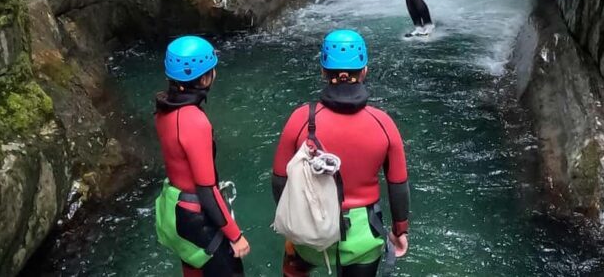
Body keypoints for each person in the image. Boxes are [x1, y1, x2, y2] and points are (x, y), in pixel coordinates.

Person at [272, 29, 411, 277]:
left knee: (294, 263)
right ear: (365, 70)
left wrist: (291, 231)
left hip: (309, 231)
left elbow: (280, 180)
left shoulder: (300, 119)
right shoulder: (383, 123)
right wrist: (400, 231)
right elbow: (398, 185)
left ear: (324, 72)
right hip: (363, 235)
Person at [154, 35, 250, 277]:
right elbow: (206, 189)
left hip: (174, 209)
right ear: (205, 77)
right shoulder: (195, 121)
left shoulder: (164, 110)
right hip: (195, 216)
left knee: (195, 266)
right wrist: (236, 236)